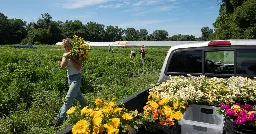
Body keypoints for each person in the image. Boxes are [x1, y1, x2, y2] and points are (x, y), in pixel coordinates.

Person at [52, 38, 88, 128]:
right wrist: (66, 57)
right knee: (78, 96)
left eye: (68, 46)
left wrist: (71, 58)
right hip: (70, 79)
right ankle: (87, 107)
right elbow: (62, 66)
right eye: (65, 46)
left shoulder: (77, 54)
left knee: (68, 99)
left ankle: (58, 120)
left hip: (77, 79)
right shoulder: (65, 54)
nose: (66, 48)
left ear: (72, 46)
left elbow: (79, 67)